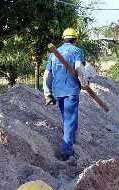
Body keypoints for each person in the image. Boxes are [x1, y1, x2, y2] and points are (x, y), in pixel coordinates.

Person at [43, 28, 87, 161]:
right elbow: (79, 67)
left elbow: (47, 75)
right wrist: (84, 83)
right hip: (71, 90)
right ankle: (66, 151)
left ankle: (70, 142)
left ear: (64, 38)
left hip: (58, 91)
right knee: (70, 119)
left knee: (67, 118)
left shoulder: (54, 54)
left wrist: (48, 93)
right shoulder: (77, 51)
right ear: (75, 39)